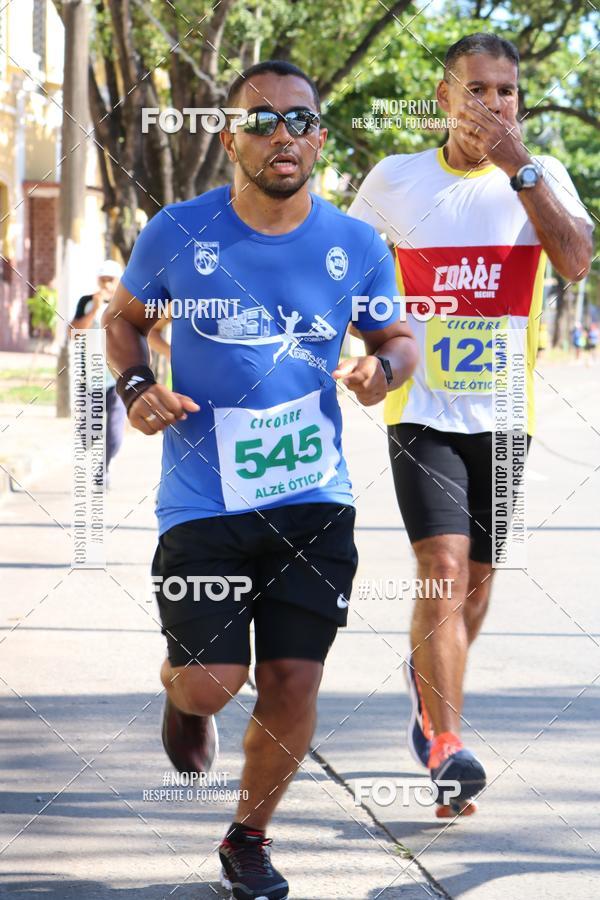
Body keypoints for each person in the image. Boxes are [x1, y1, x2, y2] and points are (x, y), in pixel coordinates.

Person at [102, 60, 417, 900]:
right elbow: (123, 323)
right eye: (264, 119)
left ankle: (248, 839)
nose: (285, 135)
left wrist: (382, 370)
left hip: (313, 498)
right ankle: (182, 693)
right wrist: (136, 388)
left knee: (292, 680)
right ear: (228, 137)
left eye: (301, 120)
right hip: (203, 498)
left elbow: (398, 340)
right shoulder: (178, 230)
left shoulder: (356, 244)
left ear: (320, 137)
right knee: (211, 684)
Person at [349, 32, 593, 816]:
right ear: (445, 97)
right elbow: (345, 273)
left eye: (506, 91)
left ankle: (429, 690)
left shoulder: (542, 175)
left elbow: (576, 261)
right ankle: (448, 746)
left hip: (505, 413)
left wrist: (521, 170)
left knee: (475, 590)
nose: (493, 104)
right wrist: (371, 353)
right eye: (477, 89)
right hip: (421, 408)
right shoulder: (397, 179)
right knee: (443, 568)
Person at [70, 259, 125, 487]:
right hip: (90, 378)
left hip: (117, 379)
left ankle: (103, 469)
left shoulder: (127, 304)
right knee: (88, 435)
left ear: (119, 281)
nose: (107, 285)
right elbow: (73, 333)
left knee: (115, 435)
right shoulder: (86, 302)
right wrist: (94, 309)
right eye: (103, 280)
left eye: (111, 280)